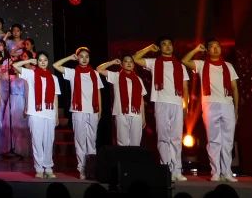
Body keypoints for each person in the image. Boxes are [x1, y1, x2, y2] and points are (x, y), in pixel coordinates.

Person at [183, 40, 240, 183]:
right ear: (207, 51)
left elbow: (234, 88)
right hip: (210, 105)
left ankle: (227, 172)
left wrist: (236, 109)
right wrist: (196, 50)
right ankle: (215, 172)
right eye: (211, 47)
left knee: (228, 141)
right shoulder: (202, 65)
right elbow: (185, 61)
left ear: (221, 49)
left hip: (227, 104)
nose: (215, 49)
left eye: (217, 46)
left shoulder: (228, 66)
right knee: (214, 140)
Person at [135, 37, 190, 182]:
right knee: (163, 138)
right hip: (161, 102)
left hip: (177, 103)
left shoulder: (180, 66)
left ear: (173, 47)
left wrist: (186, 107)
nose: (167, 46)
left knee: (176, 138)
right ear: (160, 48)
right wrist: (149, 48)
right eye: (164, 44)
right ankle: (166, 169)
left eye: (169, 44)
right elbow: (135, 59)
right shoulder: (154, 62)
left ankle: (177, 170)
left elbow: (185, 88)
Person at [12, 52, 61, 178]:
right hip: (35, 112)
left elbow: (55, 97)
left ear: (48, 61)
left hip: (49, 113)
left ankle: (48, 168)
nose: (43, 62)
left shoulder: (53, 78)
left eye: (45, 60)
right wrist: (28, 61)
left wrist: (56, 115)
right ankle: (39, 168)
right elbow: (15, 66)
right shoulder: (31, 74)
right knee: (37, 141)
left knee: (49, 142)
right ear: (37, 62)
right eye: (40, 60)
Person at [55, 47, 101, 179]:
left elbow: (98, 92)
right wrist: (70, 57)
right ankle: (82, 169)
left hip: (93, 110)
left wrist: (100, 111)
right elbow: (56, 65)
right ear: (77, 58)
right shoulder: (73, 72)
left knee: (92, 142)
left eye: (87, 56)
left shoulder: (95, 74)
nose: (84, 59)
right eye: (81, 56)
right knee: (80, 141)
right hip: (78, 111)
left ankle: (91, 169)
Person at [97, 55, 147, 147]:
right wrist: (112, 62)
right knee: (122, 143)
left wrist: (143, 117)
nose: (129, 63)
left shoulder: (138, 79)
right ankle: (123, 157)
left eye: (131, 61)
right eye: (126, 61)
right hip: (121, 113)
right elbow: (99, 69)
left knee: (135, 143)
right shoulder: (116, 76)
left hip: (137, 114)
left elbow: (141, 99)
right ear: (122, 64)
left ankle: (133, 157)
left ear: (133, 65)